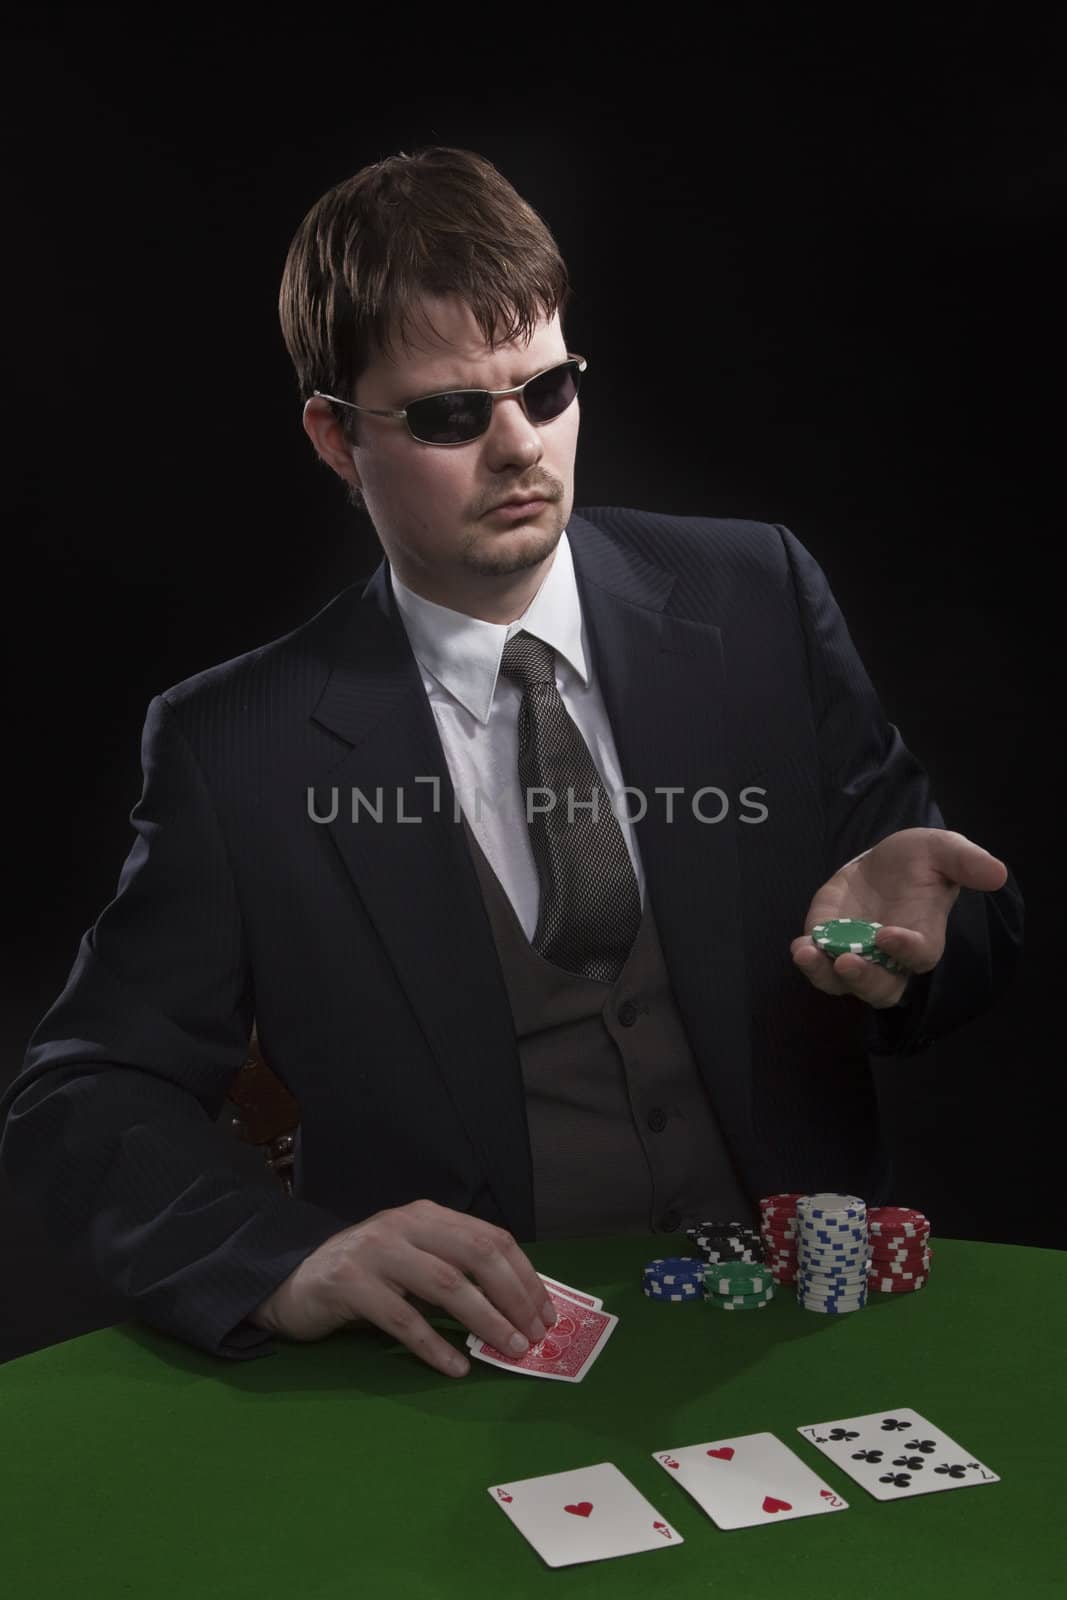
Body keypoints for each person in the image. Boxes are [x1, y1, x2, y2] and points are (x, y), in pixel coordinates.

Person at [0, 147, 1023, 1379]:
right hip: (463, 1380)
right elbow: (83, 1093)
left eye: (545, 391)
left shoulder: (756, 595)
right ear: (334, 436)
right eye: (448, 415)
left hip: (798, 1336)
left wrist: (925, 951)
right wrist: (280, 1256)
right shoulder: (236, 744)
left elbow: (954, 939)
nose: (518, 449)